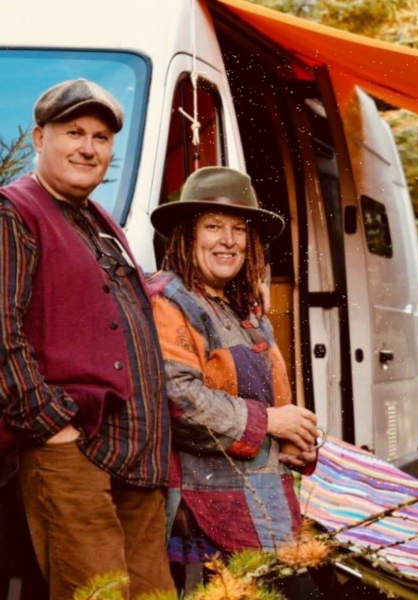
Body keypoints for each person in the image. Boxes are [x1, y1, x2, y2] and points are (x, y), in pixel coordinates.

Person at [0, 79, 174, 599]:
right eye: (73, 132)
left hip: (134, 457)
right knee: (96, 595)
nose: (88, 147)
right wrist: (51, 426)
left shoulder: (101, 221)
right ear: (38, 137)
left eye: (100, 137)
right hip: (70, 452)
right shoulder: (12, 211)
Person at [149, 166, 321, 597]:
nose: (228, 240)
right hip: (203, 508)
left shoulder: (247, 309)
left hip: (261, 497)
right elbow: (180, 401)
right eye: (213, 227)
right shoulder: (169, 300)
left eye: (239, 229)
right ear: (187, 236)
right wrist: (270, 424)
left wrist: (294, 440)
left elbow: (273, 395)